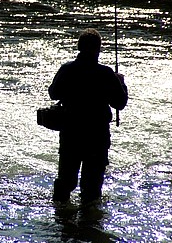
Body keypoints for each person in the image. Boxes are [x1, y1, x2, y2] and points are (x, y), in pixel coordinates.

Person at [48, 28, 128, 205]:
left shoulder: (67, 69)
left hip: (71, 134)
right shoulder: (106, 74)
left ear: (79, 47)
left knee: (65, 182)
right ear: (98, 49)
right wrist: (121, 83)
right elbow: (120, 103)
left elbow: (53, 93)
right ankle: (89, 226)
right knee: (91, 190)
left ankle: (62, 223)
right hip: (97, 136)